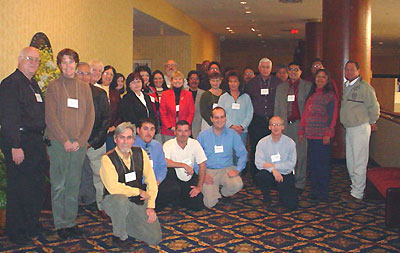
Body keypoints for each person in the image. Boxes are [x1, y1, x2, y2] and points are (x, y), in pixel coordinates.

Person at [45, 48, 95, 239]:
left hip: (79, 144)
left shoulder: (84, 87)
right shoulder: (53, 87)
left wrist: (81, 141)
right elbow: (50, 117)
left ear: (76, 64)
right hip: (59, 143)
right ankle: (60, 224)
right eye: (64, 62)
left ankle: (71, 221)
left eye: (71, 61)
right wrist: (65, 140)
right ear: (59, 65)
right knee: (59, 184)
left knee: (74, 183)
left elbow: (90, 115)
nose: (68, 65)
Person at [0, 47, 47, 245]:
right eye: (30, 59)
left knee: (34, 187)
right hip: (19, 142)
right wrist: (14, 146)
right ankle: (16, 230)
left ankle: (30, 223)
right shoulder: (10, 84)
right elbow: (8, 117)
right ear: (20, 59)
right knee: (19, 188)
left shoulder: (33, 84)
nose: (33, 63)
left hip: (35, 142)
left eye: (37, 60)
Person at [100, 122, 162, 249]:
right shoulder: (107, 159)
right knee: (121, 201)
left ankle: (125, 223)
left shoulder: (141, 153)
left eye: (129, 138)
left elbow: (151, 181)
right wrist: (139, 191)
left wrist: (151, 206)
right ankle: (119, 236)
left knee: (155, 238)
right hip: (114, 200)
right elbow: (113, 188)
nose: (125, 142)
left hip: (136, 201)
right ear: (115, 139)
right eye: (121, 137)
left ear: (133, 140)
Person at [340, 61, 380, 201]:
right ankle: (354, 188)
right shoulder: (347, 86)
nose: (349, 72)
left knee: (359, 161)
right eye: (347, 69)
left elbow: (374, 107)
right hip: (350, 127)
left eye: (352, 69)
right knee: (351, 160)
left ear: (358, 71)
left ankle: (358, 193)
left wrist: (372, 122)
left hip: (360, 128)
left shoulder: (365, 88)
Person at [299, 69, 338, 202]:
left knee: (323, 165)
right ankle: (315, 191)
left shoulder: (330, 95)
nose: (320, 79)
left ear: (327, 80)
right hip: (311, 135)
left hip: (323, 136)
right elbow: (305, 115)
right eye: (318, 77)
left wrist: (328, 133)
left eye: (323, 77)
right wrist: (301, 131)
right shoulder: (311, 95)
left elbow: (333, 116)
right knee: (314, 165)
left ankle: (323, 192)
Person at [76, 62, 111, 213]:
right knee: (77, 175)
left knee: (98, 175)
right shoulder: (69, 92)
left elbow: (105, 121)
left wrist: (91, 142)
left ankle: (101, 206)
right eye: (80, 73)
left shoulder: (99, 94)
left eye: (87, 74)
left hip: (95, 143)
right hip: (75, 143)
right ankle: (77, 204)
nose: (84, 77)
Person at [197, 107, 248, 208]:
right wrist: (202, 174)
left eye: (222, 117)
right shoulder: (203, 135)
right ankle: (214, 194)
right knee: (209, 204)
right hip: (209, 171)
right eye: (216, 118)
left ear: (225, 118)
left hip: (227, 169)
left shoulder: (233, 134)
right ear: (211, 119)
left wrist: (237, 170)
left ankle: (225, 193)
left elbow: (243, 154)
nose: (219, 120)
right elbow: (195, 157)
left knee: (237, 184)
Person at [274, 62, 311, 192]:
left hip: (299, 125)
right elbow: (277, 108)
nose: (293, 72)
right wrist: (277, 126)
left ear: (301, 72)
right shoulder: (281, 87)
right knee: (284, 154)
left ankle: (299, 182)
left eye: (296, 70)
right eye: (291, 70)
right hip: (284, 126)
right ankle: (285, 180)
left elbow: (309, 108)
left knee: (300, 154)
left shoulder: (307, 86)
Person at [245, 58, 282, 179]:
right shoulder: (251, 83)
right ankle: (256, 175)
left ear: (271, 69)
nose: (265, 69)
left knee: (273, 148)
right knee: (257, 147)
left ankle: (272, 174)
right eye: (263, 67)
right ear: (259, 68)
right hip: (257, 120)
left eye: (267, 67)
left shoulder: (278, 82)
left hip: (273, 120)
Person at [133, 118, 179, 211]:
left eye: (152, 129)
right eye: (145, 129)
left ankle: (152, 206)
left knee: (174, 188)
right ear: (138, 130)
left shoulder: (157, 145)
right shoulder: (131, 145)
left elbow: (162, 167)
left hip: (154, 181)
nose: (149, 132)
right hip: (138, 182)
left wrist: (158, 181)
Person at [255, 116, 298, 211]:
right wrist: (273, 170)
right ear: (269, 127)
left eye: (278, 125)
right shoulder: (262, 142)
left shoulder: (290, 143)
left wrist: (274, 167)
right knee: (260, 176)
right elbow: (258, 163)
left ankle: (282, 195)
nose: (276, 127)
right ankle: (267, 198)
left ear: (283, 127)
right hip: (269, 174)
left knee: (291, 205)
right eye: (273, 125)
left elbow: (291, 164)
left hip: (285, 174)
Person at [163, 120, 207, 210]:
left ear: (190, 132)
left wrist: (199, 187)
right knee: (173, 188)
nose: (183, 134)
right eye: (180, 131)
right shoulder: (168, 145)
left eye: (186, 131)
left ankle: (180, 199)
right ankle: (178, 198)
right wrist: (183, 165)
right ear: (175, 132)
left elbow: (202, 165)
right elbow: (165, 162)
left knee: (198, 205)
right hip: (174, 178)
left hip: (189, 178)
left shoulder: (195, 143)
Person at [218, 72, 253, 144]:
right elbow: (221, 114)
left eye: (235, 81)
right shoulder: (223, 97)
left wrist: (242, 127)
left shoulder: (246, 97)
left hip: (242, 132)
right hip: (227, 131)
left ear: (239, 83)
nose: (233, 84)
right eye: (230, 81)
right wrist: (231, 126)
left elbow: (249, 113)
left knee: (241, 154)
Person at [160, 71, 194, 143]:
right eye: (175, 79)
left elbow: (191, 112)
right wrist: (170, 127)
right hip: (168, 129)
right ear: (171, 81)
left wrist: (185, 126)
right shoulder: (165, 94)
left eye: (179, 79)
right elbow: (163, 113)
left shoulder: (189, 94)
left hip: (184, 129)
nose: (177, 81)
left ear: (183, 81)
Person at [98, 65, 121, 151]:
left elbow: (120, 112)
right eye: (106, 73)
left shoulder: (115, 93)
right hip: (98, 131)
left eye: (111, 75)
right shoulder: (95, 89)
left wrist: (114, 126)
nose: (108, 76)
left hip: (112, 131)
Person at [187, 70, 205, 138]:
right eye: (192, 79)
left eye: (196, 79)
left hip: (198, 127)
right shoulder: (183, 93)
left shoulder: (203, 94)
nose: (194, 81)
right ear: (188, 80)